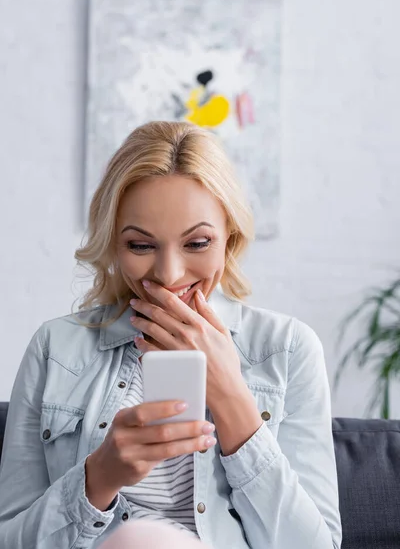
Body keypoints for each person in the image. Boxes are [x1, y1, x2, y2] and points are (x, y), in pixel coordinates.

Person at [0, 121, 342, 549]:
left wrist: (232, 397)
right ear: (114, 244)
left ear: (228, 238)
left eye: (197, 243)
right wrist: (98, 478)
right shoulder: (56, 349)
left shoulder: (288, 349)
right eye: (141, 246)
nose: (169, 274)